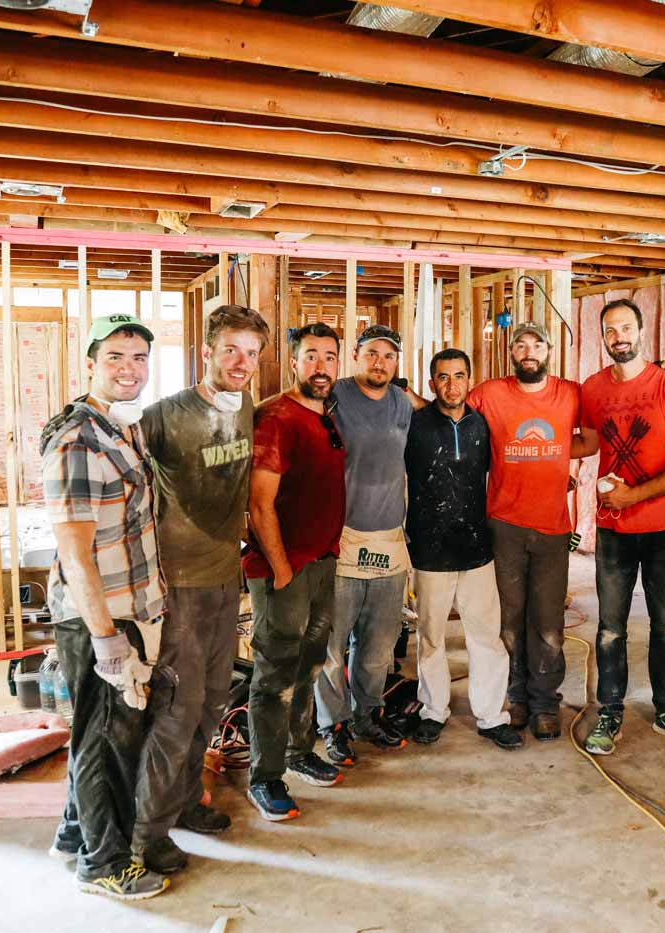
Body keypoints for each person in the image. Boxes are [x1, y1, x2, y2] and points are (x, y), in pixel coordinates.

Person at [133, 304, 268, 873]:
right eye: (231, 349)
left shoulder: (245, 410)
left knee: (212, 702)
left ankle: (187, 801)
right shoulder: (165, 415)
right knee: (176, 710)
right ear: (207, 351)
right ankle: (145, 833)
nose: (242, 362)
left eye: (252, 353)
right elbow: (121, 476)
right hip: (179, 586)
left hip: (222, 577)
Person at [42, 314, 168, 900]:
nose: (129, 368)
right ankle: (105, 863)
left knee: (97, 731)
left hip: (129, 605)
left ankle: (75, 834)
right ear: (91, 362)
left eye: (139, 357)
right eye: (116, 356)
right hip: (103, 615)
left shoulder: (122, 428)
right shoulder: (80, 439)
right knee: (108, 740)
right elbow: (74, 551)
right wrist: (105, 638)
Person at [577, 298, 665, 756]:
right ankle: (609, 710)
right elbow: (588, 442)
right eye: (610, 330)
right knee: (610, 628)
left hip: (664, 529)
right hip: (613, 529)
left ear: (641, 331)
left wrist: (636, 494)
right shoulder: (592, 388)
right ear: (603, 336)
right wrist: (529, 443)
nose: (619, 337)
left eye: (626, 327)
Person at [243, 323, 348, 822]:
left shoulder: (327, 416)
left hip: (321, 561)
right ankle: (264, 777)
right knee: (274, 674)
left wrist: (330, 542)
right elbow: (259, 504)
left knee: (309, 663)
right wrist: (283, 569)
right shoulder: (276, 418)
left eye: (330, 357)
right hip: (283, 571)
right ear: (293, 363)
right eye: (311, 356)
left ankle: (299, 751)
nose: (321, 367)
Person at [468, 321, 592, 742]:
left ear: (549, 351)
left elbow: (589, 441)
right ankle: (516, 695)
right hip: (503, 524)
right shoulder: (490, 393)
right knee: (508, 619)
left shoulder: (571, 393)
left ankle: (544, 703)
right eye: (520, 345)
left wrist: (555, 454)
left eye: (536, 344)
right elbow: (450, 414)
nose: (528, 351)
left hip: (553, 526)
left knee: (548, 622)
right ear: (511, 353)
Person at [405, 348, 523, 751]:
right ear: (431, 381)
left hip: (476, 548)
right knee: (432, 637)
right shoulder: (414, 424)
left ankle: (492, 717)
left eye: (458, 376)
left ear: (470, 381)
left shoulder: (484, 425)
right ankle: (432, 711)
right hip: (428, 548)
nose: (451, 384)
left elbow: (510, 467)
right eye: (443, 376)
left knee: (486, 637)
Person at [315, 324, 420, 755]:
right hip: (343, 538)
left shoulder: (401, 402)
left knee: (377, 647)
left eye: (389, 356)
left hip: (389, 540)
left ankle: (367, 716)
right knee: (332, 646)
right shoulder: (334, 395)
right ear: (357, 355)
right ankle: (332, 725)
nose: (380, 362)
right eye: (372, 353)